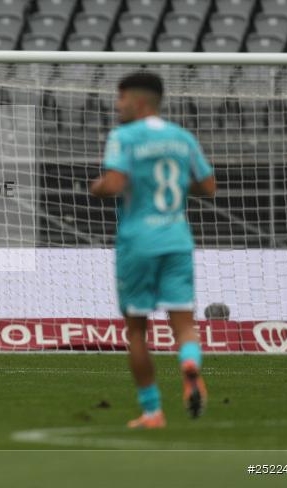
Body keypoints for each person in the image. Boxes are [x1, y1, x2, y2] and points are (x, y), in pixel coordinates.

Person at [90, 72, 216, 429]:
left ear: (139, 101)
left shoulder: (124, 136)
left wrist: (96, 187)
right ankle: (190, 364)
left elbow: (114, 184)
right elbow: (209, 186)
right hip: (177, 239)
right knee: (185, 326)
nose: (118, 105)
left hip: (138, 242)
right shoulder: (182, 138)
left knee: (136, 332)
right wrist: (177, 184)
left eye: (122, 98)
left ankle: (152, 411)